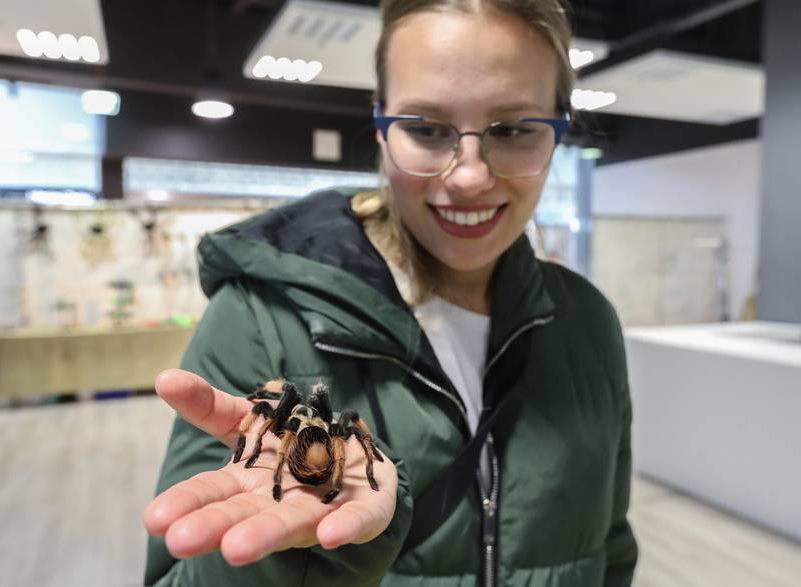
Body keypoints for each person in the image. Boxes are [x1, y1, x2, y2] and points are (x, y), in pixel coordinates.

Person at [144, 0, 639, 584]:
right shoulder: (261, 318)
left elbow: (608, 548)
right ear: (381, 128)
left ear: (558, 130)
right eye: (427, 129)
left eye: (513, 130)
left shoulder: (586, 322)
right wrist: (303, 550)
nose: (470, 175)